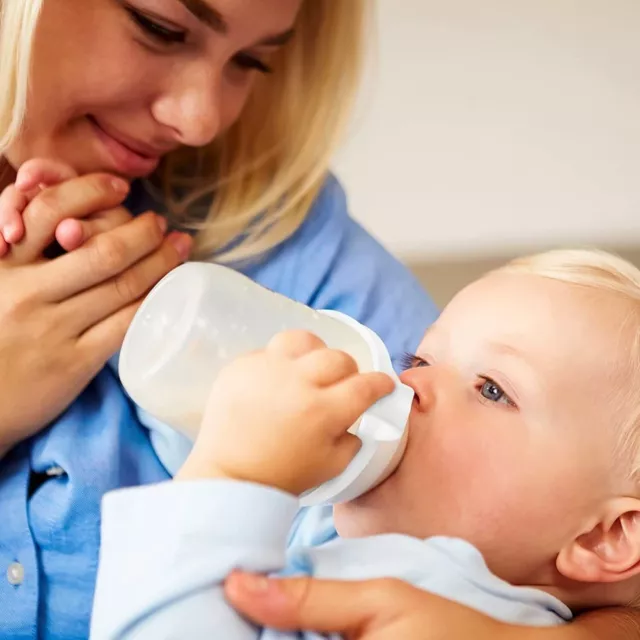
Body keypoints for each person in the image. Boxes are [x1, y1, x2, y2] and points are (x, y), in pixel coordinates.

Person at [0, 2, 438, 638]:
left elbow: (574, 527)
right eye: (160, 28)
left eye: (249, 62)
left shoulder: (276, 239)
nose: (200, 120)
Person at [91, 249, 640, 639]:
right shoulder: (380, 541)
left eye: (492, 389)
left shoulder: (445, 605)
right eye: (420, 360)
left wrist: (233, 473)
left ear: (603, 538)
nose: (411, 386)